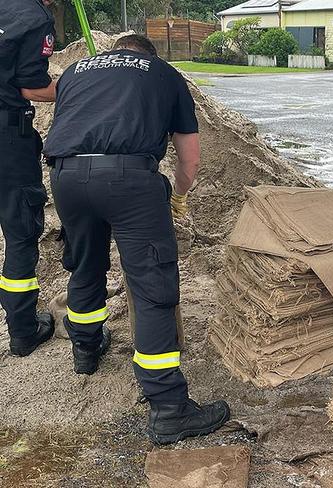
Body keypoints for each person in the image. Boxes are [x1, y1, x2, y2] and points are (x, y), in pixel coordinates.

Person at [43, 34, 230, 445]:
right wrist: (178, 197)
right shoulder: (164, 74)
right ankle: (168, 407)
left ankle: (86, 350)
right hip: (129, 180)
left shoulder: (76, 70)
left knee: (86, 263)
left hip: (67, 177)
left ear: (115, 54)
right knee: (151, 285)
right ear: (148, 55)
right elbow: (190, 157)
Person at [0, 0, 58, 357]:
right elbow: (31, 85)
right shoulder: (35, 17)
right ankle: (23, 330)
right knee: (21, 230)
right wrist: (78, 86)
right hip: (6, 137)